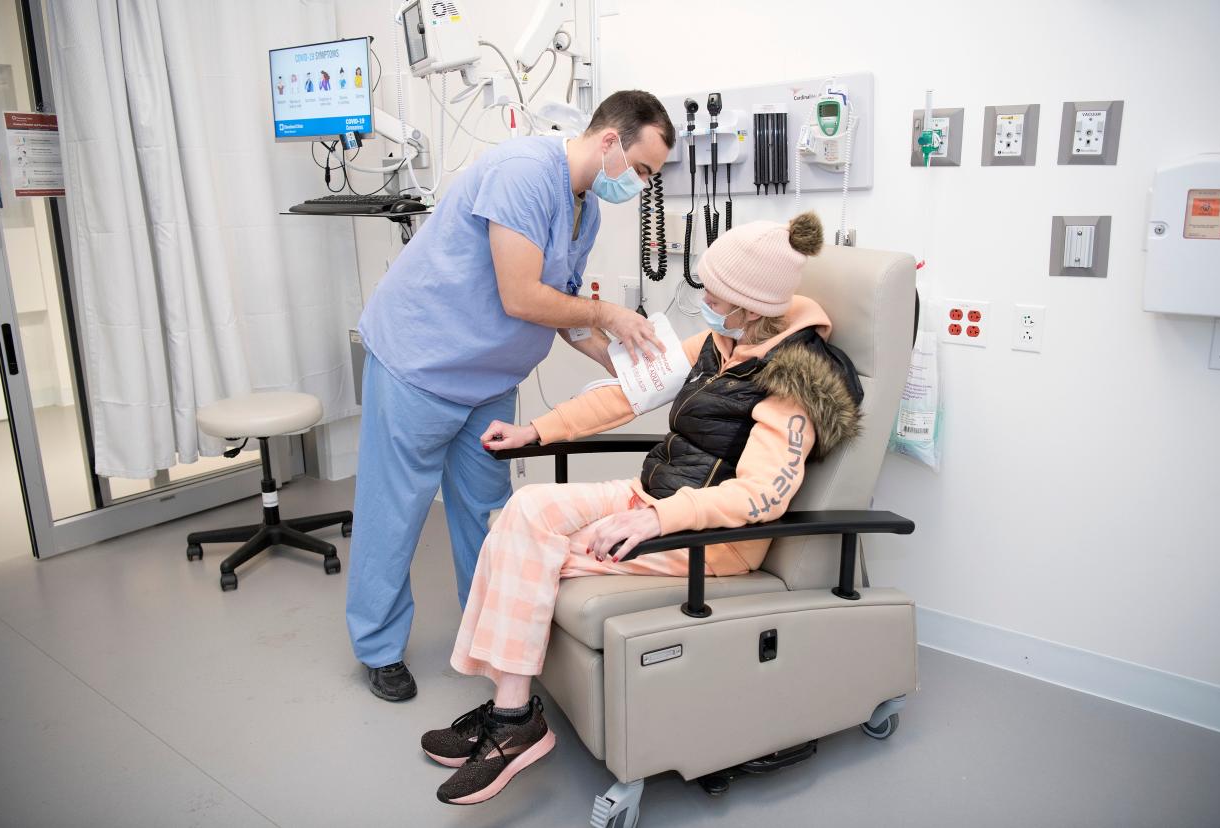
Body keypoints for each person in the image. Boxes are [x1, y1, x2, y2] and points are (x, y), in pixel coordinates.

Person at [419, 211, 864, 805]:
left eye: (714, 292)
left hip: (711, 540)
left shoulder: (794, 384)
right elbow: (629, 393)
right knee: (526, 511)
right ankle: (513, 705)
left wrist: (657, 518)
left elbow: (761, 496)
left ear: (752, 306)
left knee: (533, 548)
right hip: (652, 493)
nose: (702, 298)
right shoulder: (720, 341)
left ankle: (512, 719)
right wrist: (537, 432)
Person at [347, 91, 675, 702]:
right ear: (610, 143)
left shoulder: (586, 211)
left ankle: (494, 638)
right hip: (422, 361)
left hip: (491, 379)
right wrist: (610, 310)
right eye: (642, 170)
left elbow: (566, 310)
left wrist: (627, 366)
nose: (641, 185)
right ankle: (379, 646)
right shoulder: (523, 173)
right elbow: (522, 297)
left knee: (484, 509)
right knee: (396, 511)